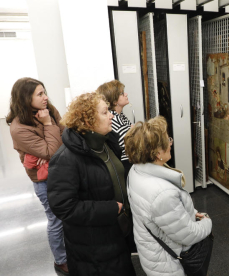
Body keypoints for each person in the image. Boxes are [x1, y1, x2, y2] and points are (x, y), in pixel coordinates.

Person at [47, 92, 135, 276]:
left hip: (117, 232)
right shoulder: (66, 159)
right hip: (93, 246)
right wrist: (111, 209)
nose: (111, 115)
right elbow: (64, 207)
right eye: (105, 113)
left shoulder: (107, 143)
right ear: (88, 121)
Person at [124, 116, 212, 276]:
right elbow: (189, 234)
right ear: (157, 153)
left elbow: (159, 215)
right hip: (169, 266)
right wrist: (207, 221)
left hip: (152, 253)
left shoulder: (135, 170)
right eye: (167, 140)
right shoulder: (162, 193)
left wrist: (189, 214)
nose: (171, 143)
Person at [6, 77, 68, 275]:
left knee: (68, 214)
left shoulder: (47, 107)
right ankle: (61, 260)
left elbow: (65, 135)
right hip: (45, 180)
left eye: (44, 92)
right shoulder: (19, 128)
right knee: (56, 220)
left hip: (63, 171)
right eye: (40, 94)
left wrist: (51, 146)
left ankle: (71, 251)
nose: (46, 97)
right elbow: (52, 151)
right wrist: (49, 124)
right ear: (26, 98)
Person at [97, 80, 132, 179]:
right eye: (122, 93)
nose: (126, 94)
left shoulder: (120, 116)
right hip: (127, 168)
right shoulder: (115, 119)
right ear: (114, 101)